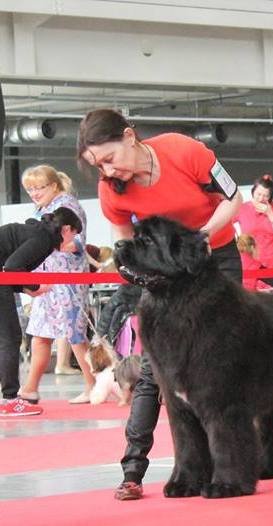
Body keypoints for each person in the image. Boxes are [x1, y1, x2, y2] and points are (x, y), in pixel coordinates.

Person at [77, 108, 243, 500]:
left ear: (129, 136)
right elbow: (125, 249)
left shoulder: (184, 151)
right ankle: (133, 470)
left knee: (223, 367)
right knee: (153, 370)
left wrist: (201, 236)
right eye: (98, 166)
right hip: (162, 277)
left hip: (215, 258)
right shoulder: (110, 190)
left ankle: (230, 464)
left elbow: (233, 199)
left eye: (110, 158)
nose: (108, 171)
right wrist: (140, 286)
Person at [17, 165, 95, 405]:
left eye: (38, 188)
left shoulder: (67, 206)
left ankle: (93, 385)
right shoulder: (44, 208)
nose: (34, 193)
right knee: (40, 334)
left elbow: (77, 241)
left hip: (67, 280)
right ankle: (30, 388)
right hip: (46, 282)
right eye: (30, 189)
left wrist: (46, 245)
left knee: (75, 336)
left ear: (53, 185)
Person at [0, 208, 83, 416]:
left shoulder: (37, 233)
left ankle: (9, 397)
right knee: (10, 338)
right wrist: (35, 286)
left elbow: (11, 270)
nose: (73, 240)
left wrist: (29, 288)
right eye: (74, 234)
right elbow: (12, 268)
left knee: (7, 337)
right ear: (66, 229)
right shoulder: (43, 239)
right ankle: (9, 399)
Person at [233, 174, 273, 289]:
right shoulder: (242, 208)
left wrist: (270, 213)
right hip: (250, 264)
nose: (260, 198)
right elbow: (228, 227)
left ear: (270, 197)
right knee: (250, 295)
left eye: (265, 196)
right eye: (258, 194)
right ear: (253, 192)